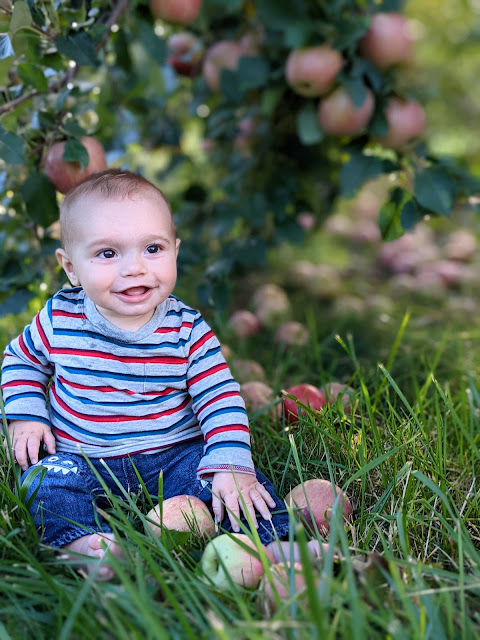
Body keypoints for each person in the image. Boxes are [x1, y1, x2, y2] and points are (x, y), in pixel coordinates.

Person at [1, 169, 322, 579]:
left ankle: (276, 542)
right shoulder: (59, 319)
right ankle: (83, 545)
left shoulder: (187, 329)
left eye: (152, 248)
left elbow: (219, 396)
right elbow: (22, 359)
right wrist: (27, 413)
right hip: (81, 458)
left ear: (175, 250)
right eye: (107, 254)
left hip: (174, 456)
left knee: (232, 483)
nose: (135, 268)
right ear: (71, 268)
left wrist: (229, 461)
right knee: (44, 481)